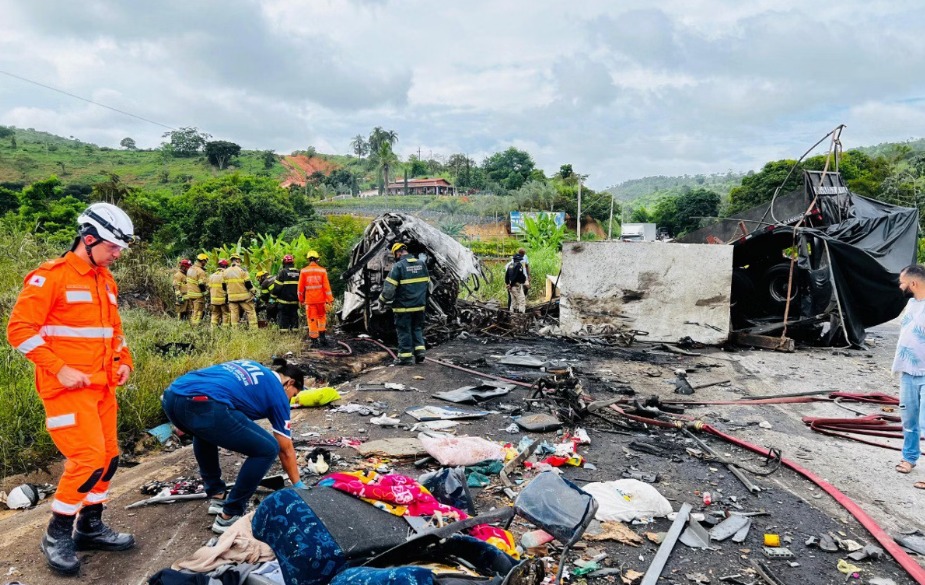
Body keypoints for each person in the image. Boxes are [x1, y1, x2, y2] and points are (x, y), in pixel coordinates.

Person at [6, 202, 136, 575]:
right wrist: (59, 369)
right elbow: (19, 331)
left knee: (109, 458)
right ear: (89, 238)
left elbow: (113, 331)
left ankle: (89, 527)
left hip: (102, 388)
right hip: (66, 391)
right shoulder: (51, 277)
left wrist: (124, 360)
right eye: (112, 247)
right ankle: (56, 533)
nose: (117, 254)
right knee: (88, 461)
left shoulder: (105, 280)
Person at [160, 358, 306, 534]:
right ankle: (230, 515)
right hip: (204, 403)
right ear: (289, 383)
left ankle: (217, 495)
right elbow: (285, 449)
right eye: (294, 394)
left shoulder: (252, 365)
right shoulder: (277, 393)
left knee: (204, 431)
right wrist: (298, 484)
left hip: (172, 396)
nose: (290, 399)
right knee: (267, 449)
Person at [893, 264, 925, 485]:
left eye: (902, 282)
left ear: (913, 283)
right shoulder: (912, 304)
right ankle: (909, 457)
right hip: (908, 372)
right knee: (909, 420)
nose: (900, 286)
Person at [379, 242, 430, 365]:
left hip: (403, 307)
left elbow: (389, 289)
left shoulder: (398, 267)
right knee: (417, 329)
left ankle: (405, 358)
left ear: (398, 253)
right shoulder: (421, 264)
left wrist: (382, 301)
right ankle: (420, 353)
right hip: (419, 306)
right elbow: (428, 286)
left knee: (404, 331)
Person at [298, 250, 334, 346]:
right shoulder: (322, 271)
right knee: (322, 318)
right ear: (317, 259)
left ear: (308, 259)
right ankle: (323, 338)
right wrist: (330, 299)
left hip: (310, 301)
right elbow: (327, 287)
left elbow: (300, 288)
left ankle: (314, 341)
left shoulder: (304, 271)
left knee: (312, 319)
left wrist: (301, 299)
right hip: (321, 300)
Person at [223, 254, 258, 327]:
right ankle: (254, 330)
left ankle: (235, 331)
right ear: (237, 260)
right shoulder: (242, 270)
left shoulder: (225, 272)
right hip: (244, 297)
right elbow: (248, 284)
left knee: (234, 314)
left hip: (232, 298)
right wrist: (254, 291)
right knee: (250, 312)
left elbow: (224, 286)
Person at [274, 254, 301, 331]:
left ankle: (284, 333)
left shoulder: (282, 272)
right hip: (295, 301)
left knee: (283, 317)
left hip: (283, 301)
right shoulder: (298, 272)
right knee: (294, 316)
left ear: (284, 262)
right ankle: (295, 331)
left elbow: (277, 287)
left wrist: (273, 297)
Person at [186, 254, 209, 325]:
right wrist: (205, 292)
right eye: (205, 261)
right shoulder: (200, 271)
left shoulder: (190, 269)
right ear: (202, 261)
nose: (205, 263)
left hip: (190, 294)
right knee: (198, 311)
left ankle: (191, 324)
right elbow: (201, 284)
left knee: (192, 311)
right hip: (197, 295)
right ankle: (195, 326)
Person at [208, 259, 230, 328]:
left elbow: (209, 288)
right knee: (226, 314)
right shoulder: (226, 275)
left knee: (214, 314)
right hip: (223, 300)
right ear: (226, 266)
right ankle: (225, 330)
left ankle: (213, 329)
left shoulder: (212, 276)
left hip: (214, 300)